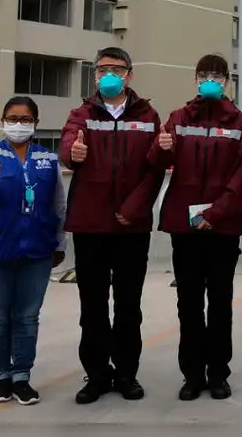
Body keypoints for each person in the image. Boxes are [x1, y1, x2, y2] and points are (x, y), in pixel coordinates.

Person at [58, 47, 165, 405]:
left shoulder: (148, 116)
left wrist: (134, 209)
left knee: (128, 306)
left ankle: (126, 374)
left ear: (129, 75)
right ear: (94, 75)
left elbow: (155, 170)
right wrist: (72, 152)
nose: (109, 75)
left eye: (116, 69)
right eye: (102, 69)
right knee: (92, 307)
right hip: (91, 226)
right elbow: (68, 146)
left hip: (131, 229)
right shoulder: (82, 114)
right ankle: (97, 375)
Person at [148, 54, 242, 402]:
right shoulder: (178, 118)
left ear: (227, 80)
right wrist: (162, 149)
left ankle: (218, 374)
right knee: (189, 303)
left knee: (220, 302)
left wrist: (217, 212)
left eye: (217, 75)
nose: (210, 79)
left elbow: (241, 177)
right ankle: (192, 375)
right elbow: (159, 161)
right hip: (186, 226)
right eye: (204, 74)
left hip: (222, 228)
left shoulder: (239, 122)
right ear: (195, 78)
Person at [0, 96, 66, 406]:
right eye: (13, 118)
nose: (19, 124)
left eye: (25, 119)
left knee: (27, 317)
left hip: (36, 250)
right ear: (2, 119)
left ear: (35, 123)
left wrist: (60, 244)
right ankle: (2, 375)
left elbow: (58, 205)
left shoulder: (48, 160)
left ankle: (22, 375)